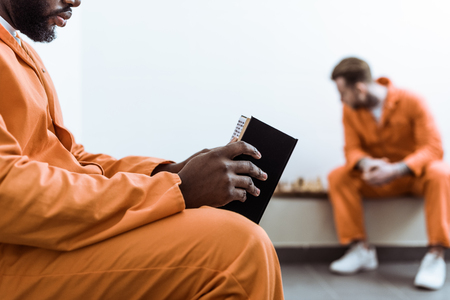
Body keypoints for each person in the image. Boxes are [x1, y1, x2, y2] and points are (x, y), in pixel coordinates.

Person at [0, 0, 284, 299]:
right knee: (236, 250)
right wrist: (176, 189)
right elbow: (7, 190)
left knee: (235, 235)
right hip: (15, 253)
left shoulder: (18, 48)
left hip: (42, 239)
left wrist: (166, 172)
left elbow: (70, 158)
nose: (75, 0)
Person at [328, 57, 450, 290]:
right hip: (376, 178)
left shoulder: (413, 101)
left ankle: (436, 255)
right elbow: (352, 150)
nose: (340, 99)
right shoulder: (350, 110)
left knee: (441, 172)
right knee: (338, 176)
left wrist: (396, 169)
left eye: (343, 92)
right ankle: (360, 250)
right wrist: (366, 164)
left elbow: (434, 148)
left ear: (360, 88)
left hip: (414, 177)